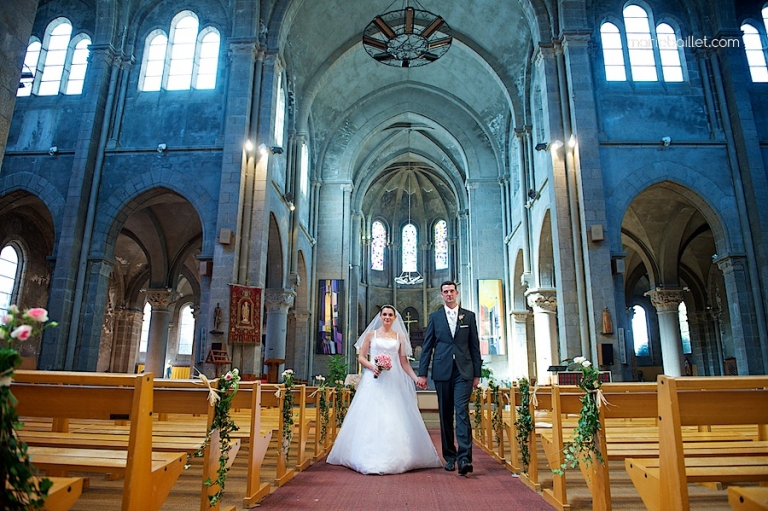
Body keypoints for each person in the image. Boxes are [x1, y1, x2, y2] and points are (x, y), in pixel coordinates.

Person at [326, 305, 442, 474]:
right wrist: (372, 366)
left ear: (395, 318)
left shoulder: (400, 336)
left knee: (394, 414)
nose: (387, 317)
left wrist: (416, 378)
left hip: (394, 380)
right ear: (380, 316)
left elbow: (403, 363)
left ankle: (399, 455)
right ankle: (365, 455)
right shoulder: (370, 335)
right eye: (384, 314)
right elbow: (361, 356)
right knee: (371, 414)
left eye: (390, 315)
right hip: (374, 380)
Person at [417, 281, 482, 476]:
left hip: (464, 371)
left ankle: (464, 459)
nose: (449, 294)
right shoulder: (435, 317)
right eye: (445, 292)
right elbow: (427, 346)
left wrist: (477, 373)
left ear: (457, 293)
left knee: (462, 412)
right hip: (442, 370)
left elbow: (474, 346)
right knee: (445, 414)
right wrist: (422, 373)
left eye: (451, 291)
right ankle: (450, 456)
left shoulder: (468, 316)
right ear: (441, 295)